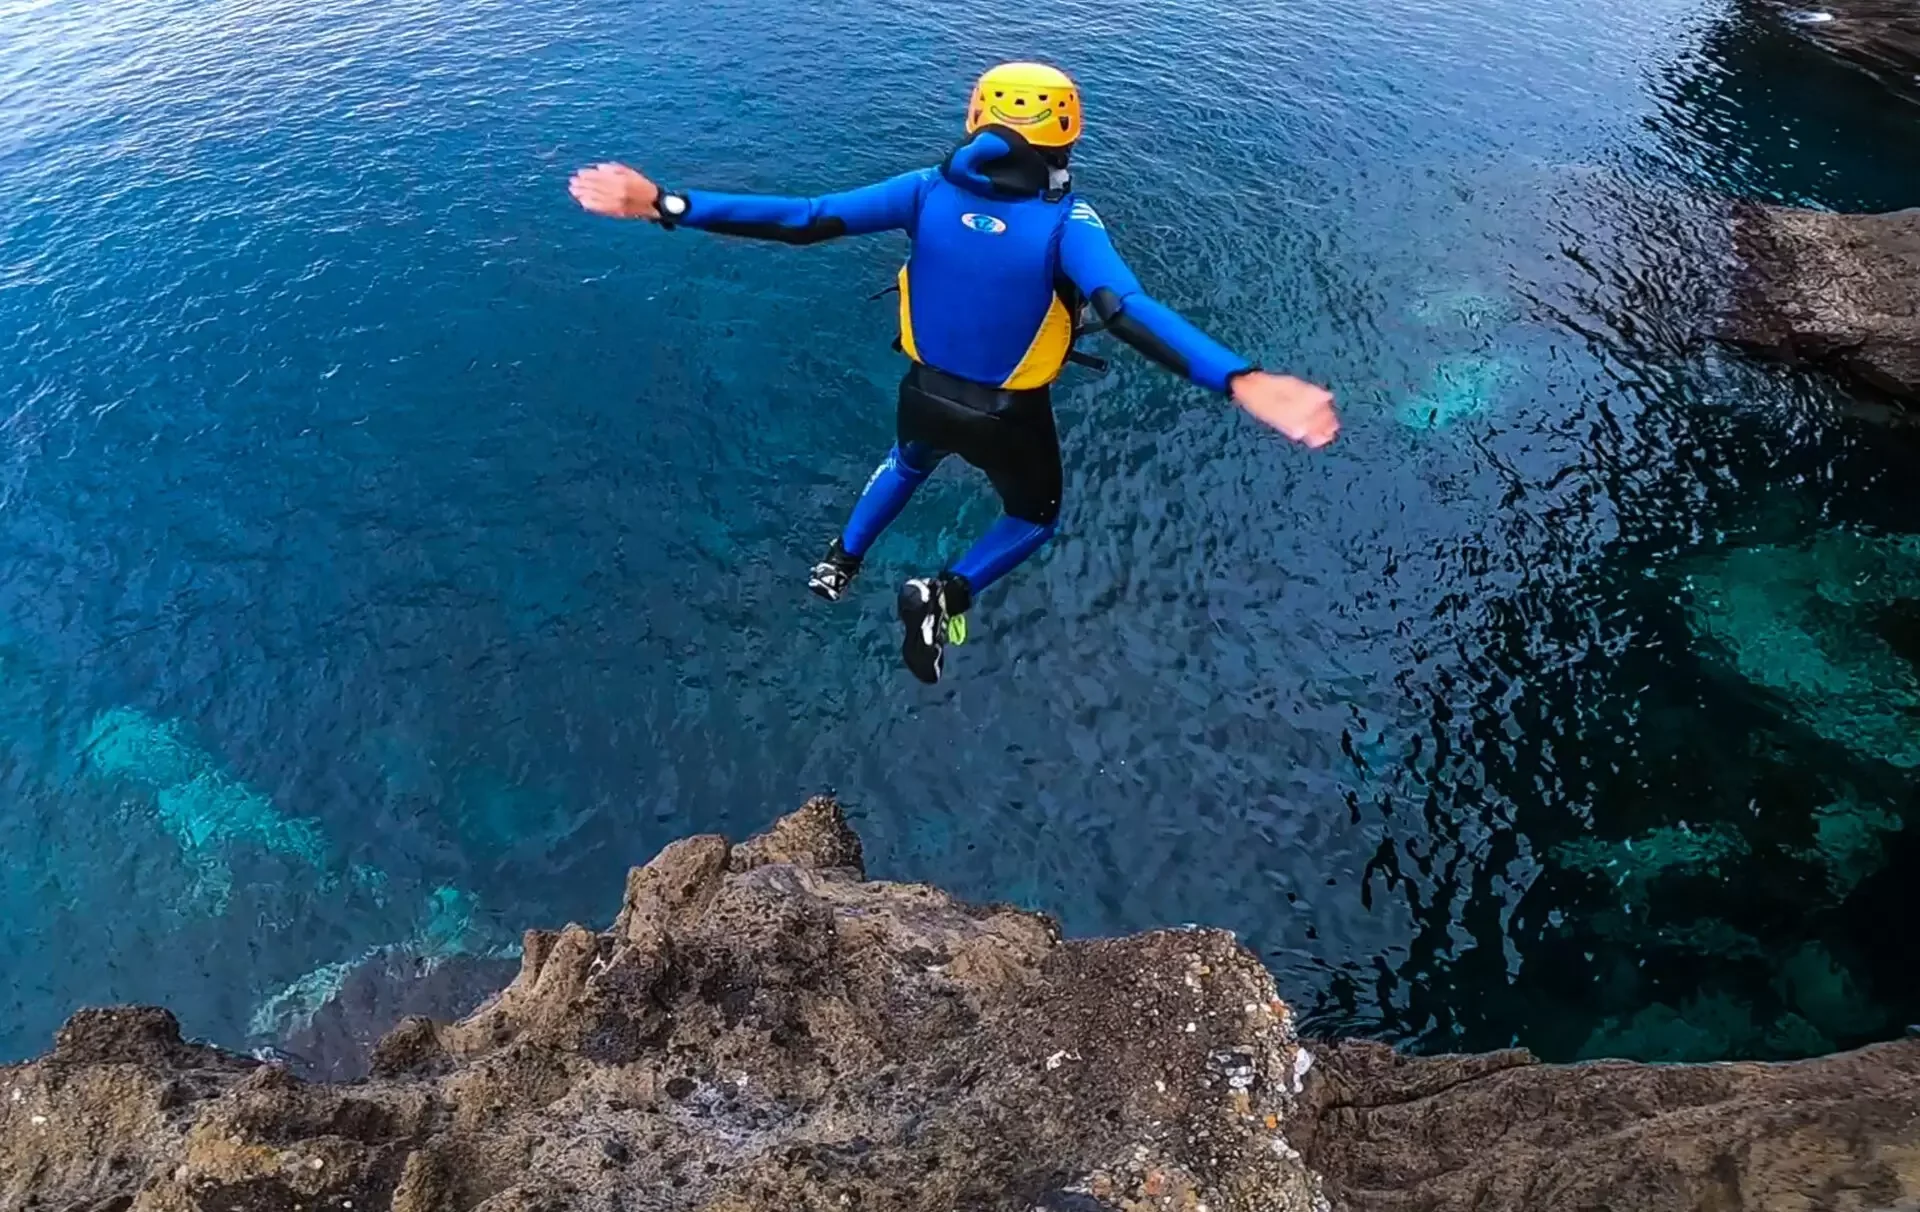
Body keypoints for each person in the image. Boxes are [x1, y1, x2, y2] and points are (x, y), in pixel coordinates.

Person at [571, 62, 1338, 684]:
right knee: (1033, 518)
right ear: (1066, 136)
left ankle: (840, 562)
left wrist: (663, 201)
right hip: (1010, 415)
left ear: (974, 119)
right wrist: (1241, 379)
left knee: (907, 462)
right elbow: (1125, 309)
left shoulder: (923, 192)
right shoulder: (1069, 223)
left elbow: (802, 218)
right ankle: (946, 591)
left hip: (925, 393)